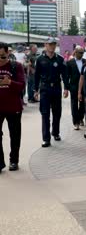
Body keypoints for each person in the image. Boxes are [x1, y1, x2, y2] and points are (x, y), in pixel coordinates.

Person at [34, 37, 70, 147]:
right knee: (45, 114)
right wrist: (36, 90)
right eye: (50, 44)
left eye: (54, 44)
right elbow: (36, 76)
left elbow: (64, 74)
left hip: (56, 89)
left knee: (57, 113)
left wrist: (66, 88)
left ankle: (55, 132)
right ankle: (46, 138)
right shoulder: (40, 59)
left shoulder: (59, 59)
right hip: (45, 89)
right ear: (45, 45)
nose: (52, 46)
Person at [0, 42, 26, 173]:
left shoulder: (16, 66)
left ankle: (14, 160)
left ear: (8, 54)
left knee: (15, 135)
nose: (0, 60)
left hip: (13, 106)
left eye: (3, 56)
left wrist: (9, 82)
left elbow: (22, 85)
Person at [67, 46, 86, 130]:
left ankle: (81, 118)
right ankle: (76, 121)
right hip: (74, 86)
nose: (81, 54)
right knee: (74, 104)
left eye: (83, 53)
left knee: (83, 104)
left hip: (84, 86)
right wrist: (66, 87)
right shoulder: (70, 62)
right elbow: (67, 76)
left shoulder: (85, 61)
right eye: (80, 53)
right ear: (75, 52)